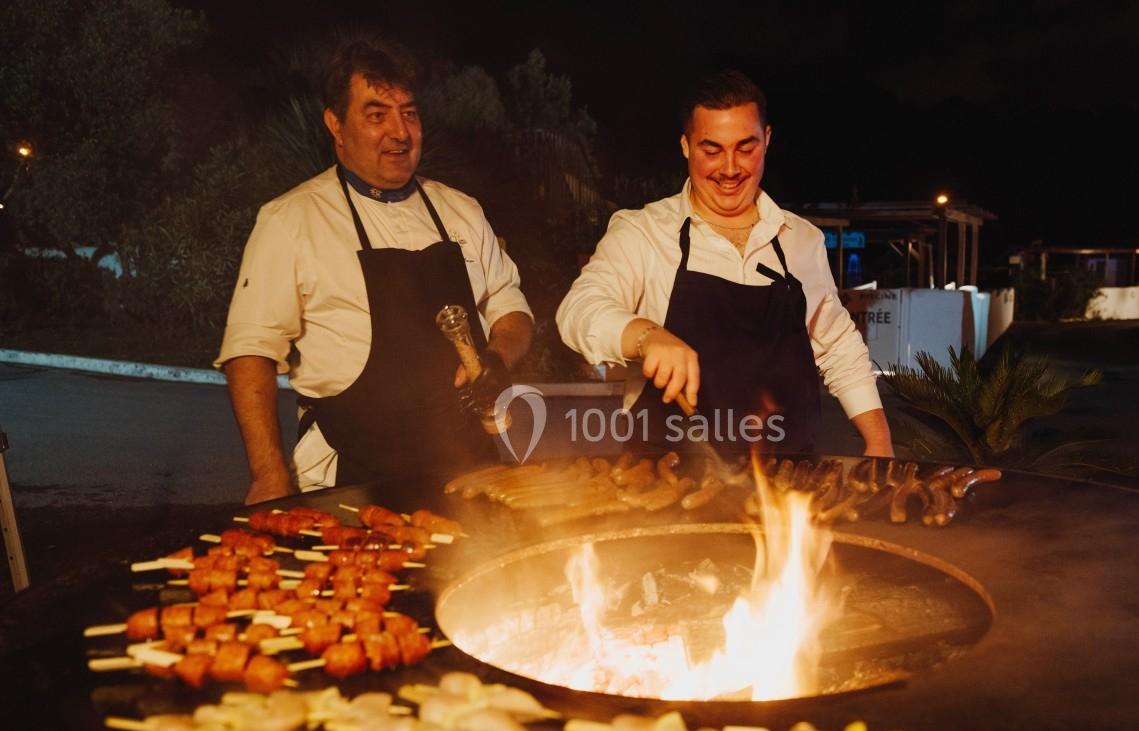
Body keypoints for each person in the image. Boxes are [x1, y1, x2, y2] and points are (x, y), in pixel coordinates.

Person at [216, 39, 532, 503]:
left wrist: (499, 355)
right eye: (376, 114)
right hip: (351, 483)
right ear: (335, 124)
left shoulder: (461, 211)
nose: (400, 133)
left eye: (409, 113)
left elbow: (511, 307)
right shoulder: (292, 220)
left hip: (469, 472)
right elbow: (250, 353)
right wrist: (268, 474)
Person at [556, 70, 892, 456]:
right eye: (711, 150)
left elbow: (837, 346)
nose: (729, 168)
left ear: (767, 140)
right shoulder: (643, 232)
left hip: (787, 489)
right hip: (664, 484)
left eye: (745, 148)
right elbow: (577, 311)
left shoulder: (800, 240)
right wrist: (647, 336)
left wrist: (879, 440)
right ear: (685, 146)